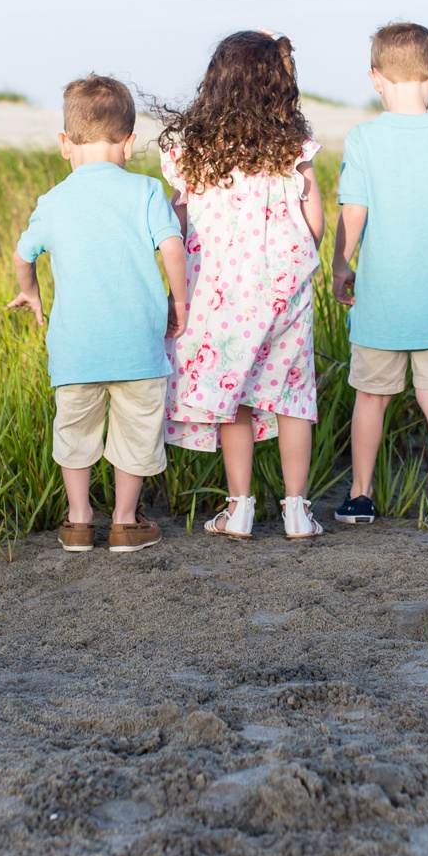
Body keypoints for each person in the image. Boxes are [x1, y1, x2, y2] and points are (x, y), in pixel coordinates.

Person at [157, 31, 327, 541]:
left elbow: (177, 220)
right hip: (284, 286)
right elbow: (314, 220)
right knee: (293, 396)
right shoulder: (291, 147)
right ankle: (297, 510)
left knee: (237, 396)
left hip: (221, 290)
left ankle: (240, 507)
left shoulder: (194, 151)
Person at [8, 74, 188, 553]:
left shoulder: (53, 200)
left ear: (65, 144)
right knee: (136, 431)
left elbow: (23, 255)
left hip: (75, 349)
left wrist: (30, 293)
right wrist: (180, 300)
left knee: (75, 432)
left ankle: (79, 519)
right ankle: (126, 522)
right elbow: (173, 247)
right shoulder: (147, 192)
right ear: (129, 144)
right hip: (137, 347)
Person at [329, 22, 428, 530]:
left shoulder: (363, 139)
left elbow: (353, 212)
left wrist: (340, 263)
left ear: (375, 78)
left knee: (371, 397)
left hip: (380, 302)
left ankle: (360, 495)